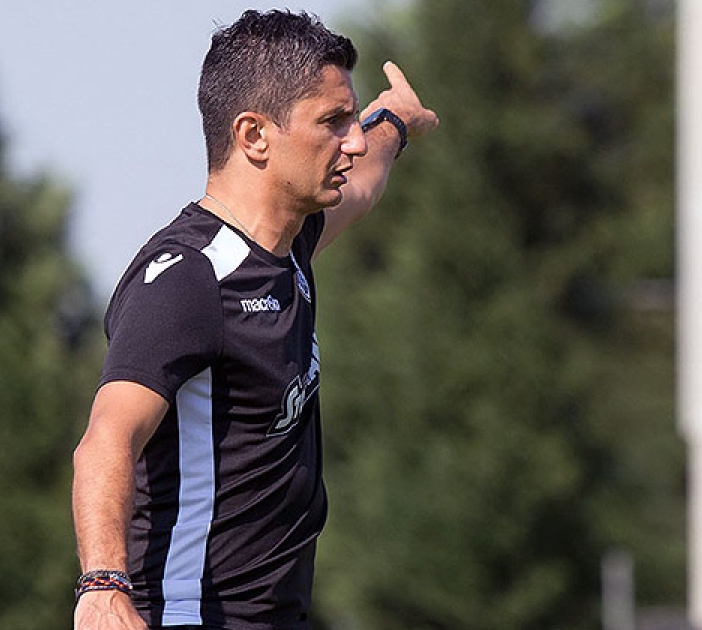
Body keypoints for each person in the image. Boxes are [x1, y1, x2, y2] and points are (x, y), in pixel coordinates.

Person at [70, 9, 438, 630]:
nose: (352, 141)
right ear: (254, 136)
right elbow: (107, 438)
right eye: (332, 122)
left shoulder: (289, 243)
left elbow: (363, 183)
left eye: (353, 119)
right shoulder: (188, 280)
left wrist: (395, 121)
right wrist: (103, 586)